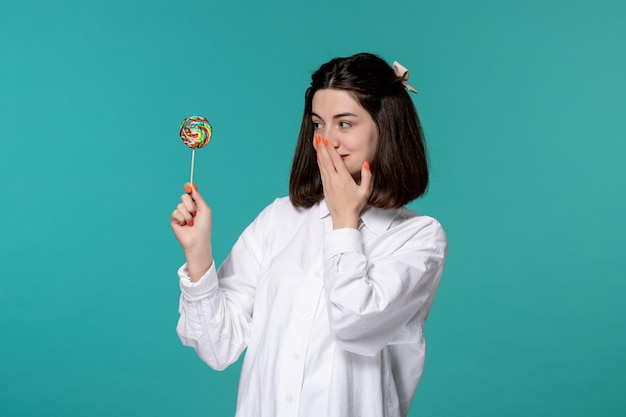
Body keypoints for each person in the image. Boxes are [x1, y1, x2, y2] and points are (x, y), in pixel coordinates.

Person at [170, 52, 448, 417]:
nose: (326, 141)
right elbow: (217, 347)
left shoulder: (419, 238)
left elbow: (355, 325)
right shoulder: (279, 218)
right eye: (318, 124)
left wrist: (344, 221)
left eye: (344, 124)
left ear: (385, 127)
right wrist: (198, 254)